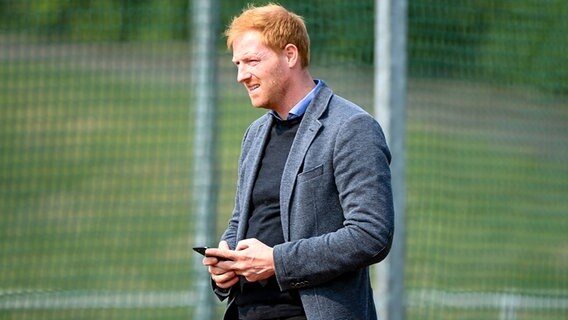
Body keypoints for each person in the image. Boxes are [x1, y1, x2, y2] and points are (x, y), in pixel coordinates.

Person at [201, 4, 394, 320]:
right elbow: (242, 220)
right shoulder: (254, 134)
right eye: (237, 64)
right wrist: (226, 266)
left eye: (251, 61)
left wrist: (278, 261)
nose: (241, 76)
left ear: (290, 55)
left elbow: (371, 234)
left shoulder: (351, 127)